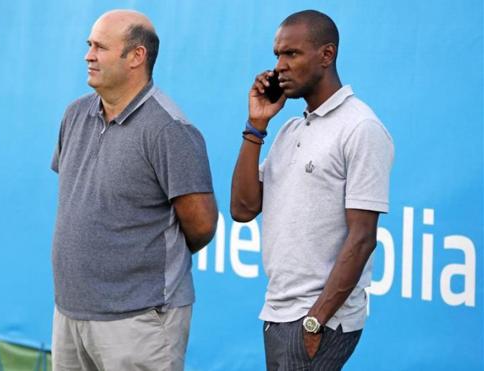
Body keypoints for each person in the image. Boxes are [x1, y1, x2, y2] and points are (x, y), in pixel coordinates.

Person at [50, 9, 218, 371]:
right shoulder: (74, 115)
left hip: (140, 322)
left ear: (136, 57)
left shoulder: (169, 130)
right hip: (70, 314)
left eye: (100, 47)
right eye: (88, 45)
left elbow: (202, 226)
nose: (88, 55)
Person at [230, 10, 394, 370]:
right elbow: (243, 209)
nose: (279, 66)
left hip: (319, 320)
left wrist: (315, 320)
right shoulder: (290, 129)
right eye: (277, 55)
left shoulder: (361, 127)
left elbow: (363, 238)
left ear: (326, 55)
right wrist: (256, 126)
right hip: (278, 310)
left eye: (291, 54)